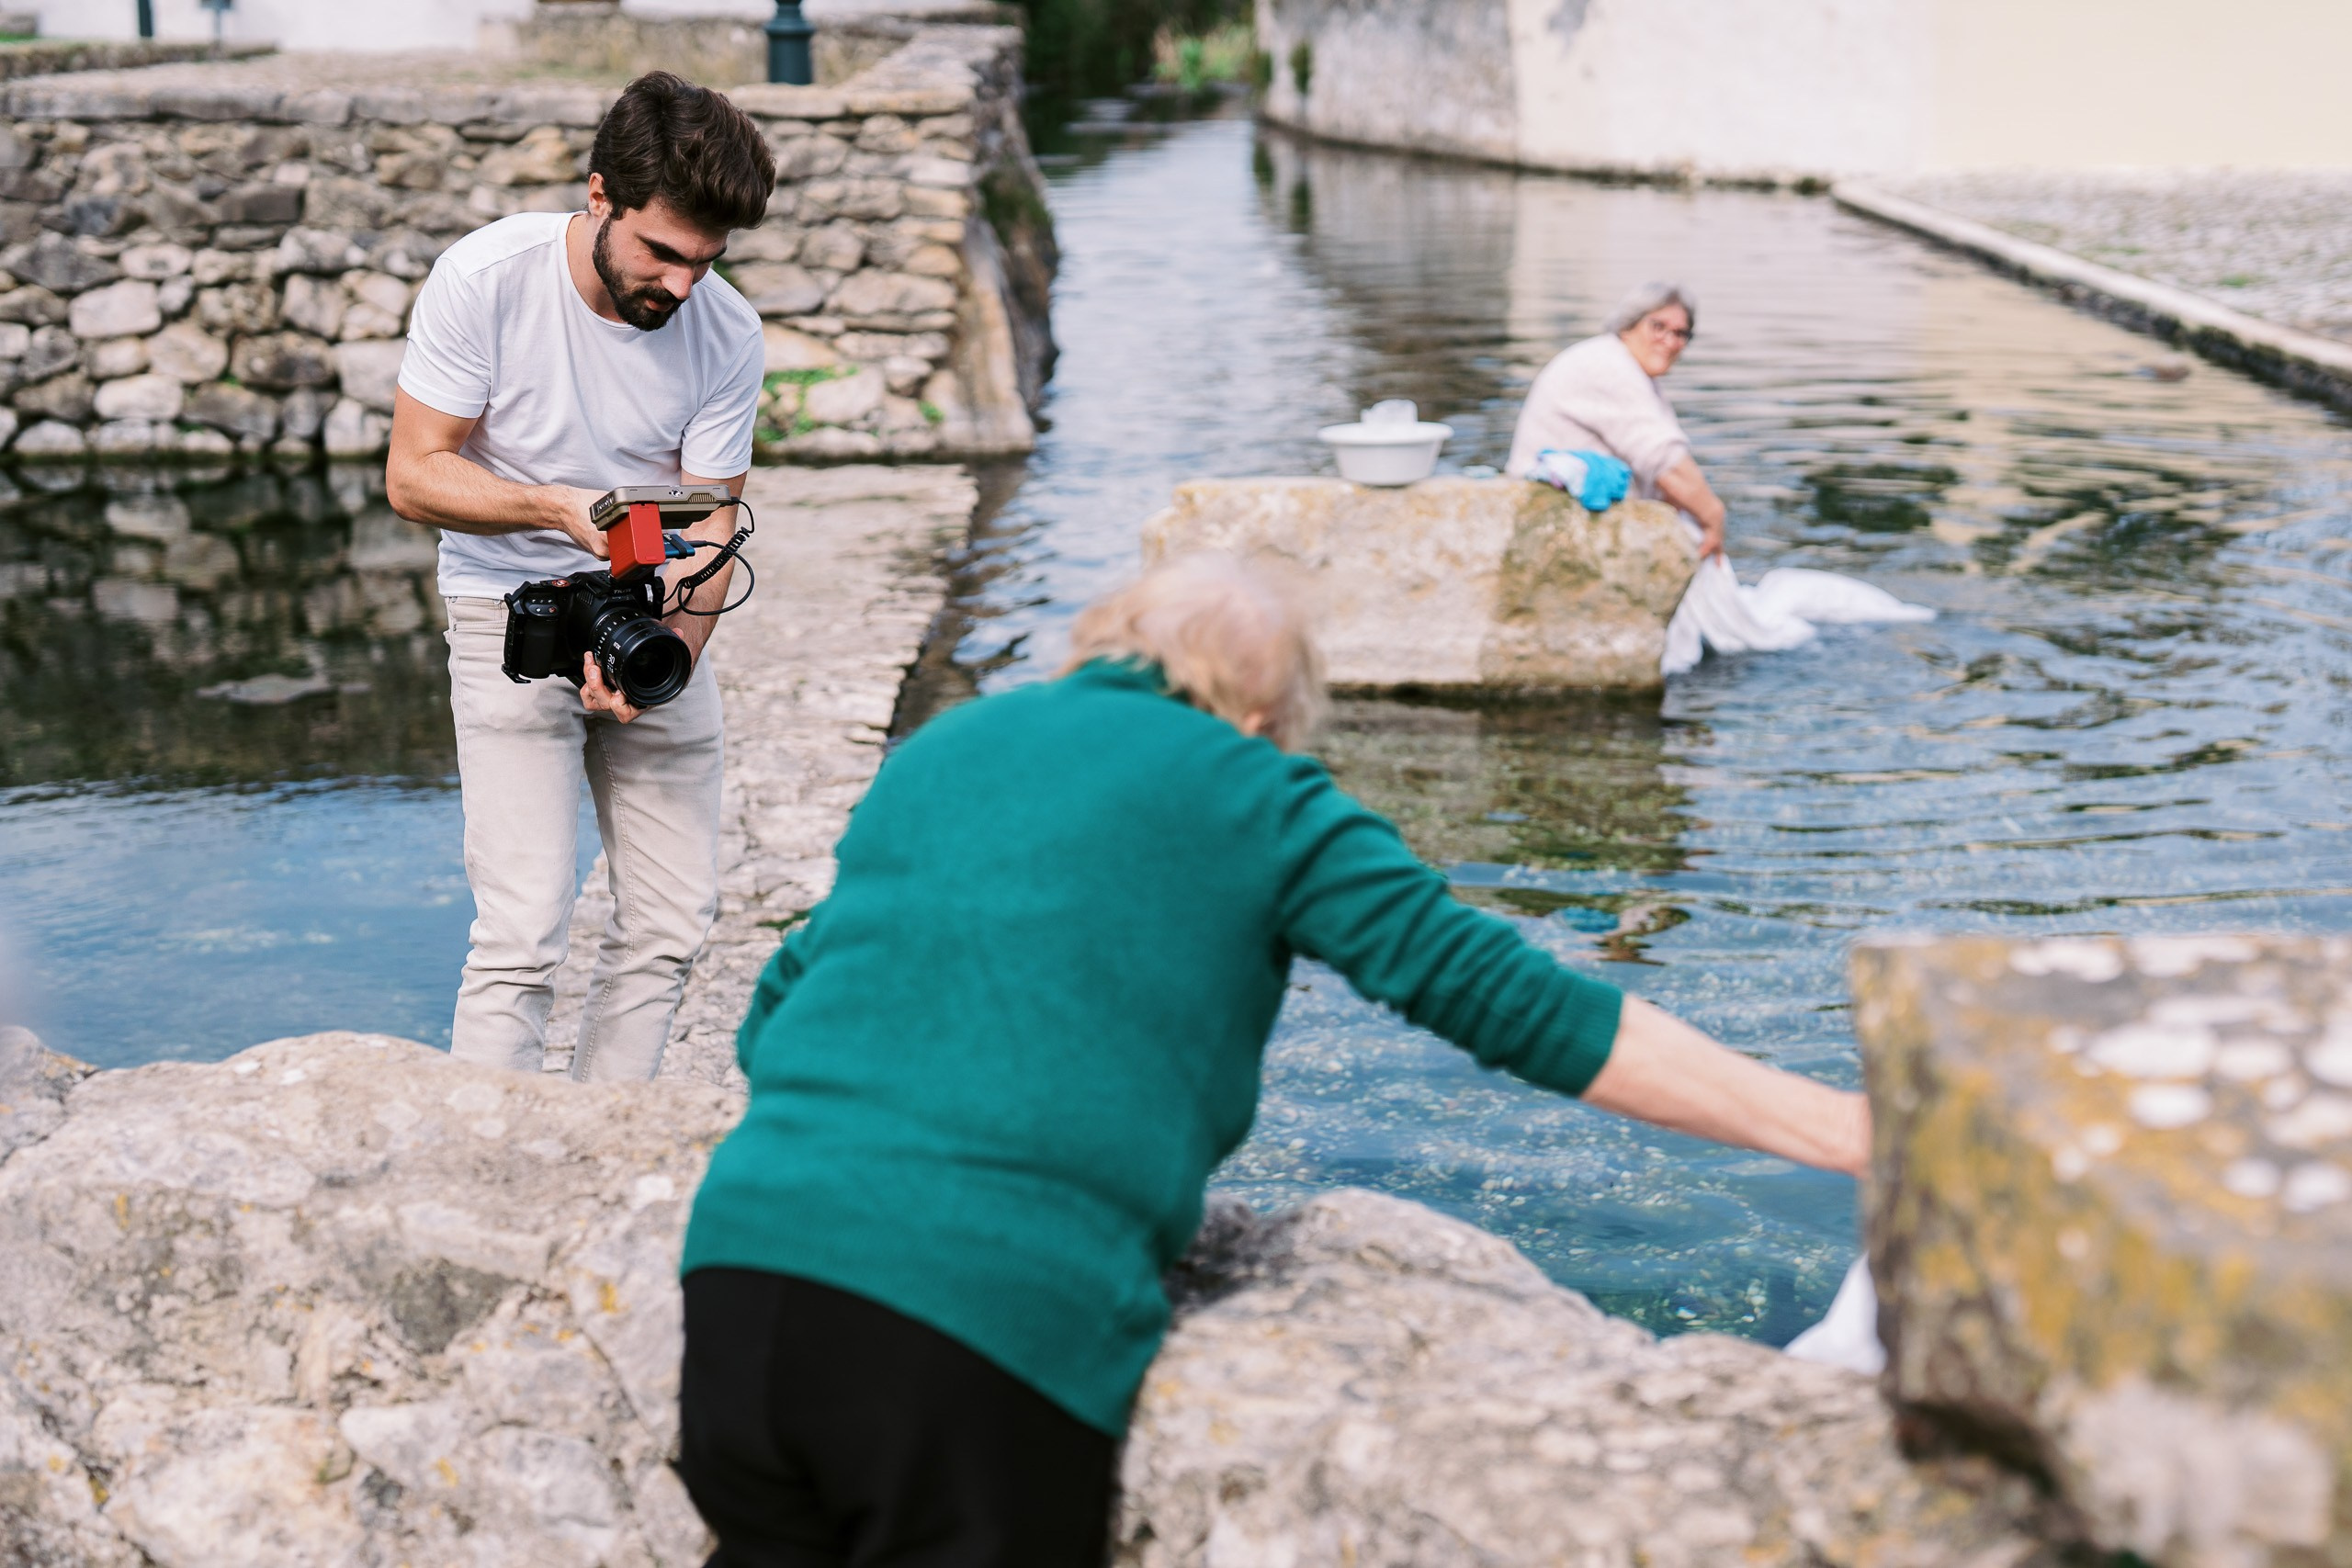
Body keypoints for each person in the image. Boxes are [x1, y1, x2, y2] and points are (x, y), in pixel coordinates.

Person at [676, 553, 1871, 1568]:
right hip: (975, 1334)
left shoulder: (950, 748)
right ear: (1264, 712)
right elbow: (1515, 1005)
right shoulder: (1260, 791)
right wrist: (1851, 1130)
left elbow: (779, 1010)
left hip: (740, 1284)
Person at [384, 73, 774, 1082]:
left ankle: (598, 1147)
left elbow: (713, 517)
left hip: (646, 611)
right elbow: (413, 476)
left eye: (706, 262)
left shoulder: (725, 331)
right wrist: (554, 507)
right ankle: (487, 1163)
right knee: (522, 930)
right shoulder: (487, 278)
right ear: (598, 196)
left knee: (672, 921)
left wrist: (671, 660)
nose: (683, 287)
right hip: (503, 613)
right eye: (663, 253)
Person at [1507, 281, 1726, 558]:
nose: (1670, 342)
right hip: (1551, 516)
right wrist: (1713, 516)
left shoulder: (1630, 369)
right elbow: (1666, 462)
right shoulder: (1609, 367)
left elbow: (1666, 473)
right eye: (1659, 327)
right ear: (1628, 326)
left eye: (1681, 333)